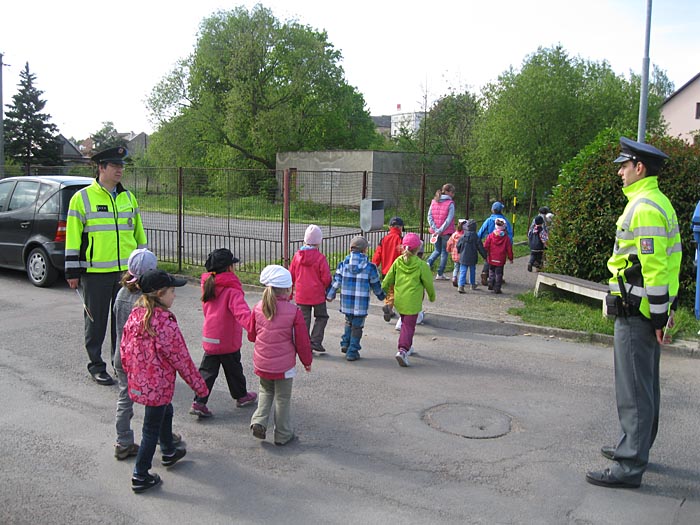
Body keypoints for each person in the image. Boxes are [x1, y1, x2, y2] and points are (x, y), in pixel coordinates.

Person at [585, 137, 681, 489]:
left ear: (639, 168)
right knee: (645, 387)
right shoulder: (658, 202)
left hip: (637, 313)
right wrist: (663, 311)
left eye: (624, 166)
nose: (620, 173)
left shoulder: (643, 208)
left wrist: (657, 317)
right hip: (647, 311)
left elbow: (654, 268)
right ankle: (636, 447)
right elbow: (667, 266)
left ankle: (629, 465)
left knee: (634, 391)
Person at [120, 269, 209, 493]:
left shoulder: (136, 316)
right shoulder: (164, 323)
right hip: (157, 385)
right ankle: (140, 474)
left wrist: (131, 373)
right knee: (150, 428)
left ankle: (169, 450)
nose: (175, 295)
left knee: (165, 411)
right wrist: (199, 386)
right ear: (160, 294)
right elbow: (181, 359)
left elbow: (124, 349)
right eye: (171, 291)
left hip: (142, 382)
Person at [65, 146, 147, 386]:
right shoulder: (82, 198)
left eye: (122, 165)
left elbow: (138, 234)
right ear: (101, 168)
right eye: (115, 165)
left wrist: (143, 265)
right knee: (96, 321)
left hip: (126, 273)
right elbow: (73, 237)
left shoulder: (128, 197)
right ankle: (96, 366)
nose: (120, 169)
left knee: (123, 322)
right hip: (95, 273)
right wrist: (72, 270)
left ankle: (119, 364)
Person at [113, 248, 183, 460]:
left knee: (125, 398)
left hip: (122, 355)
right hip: (145, 360)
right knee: (159, 399)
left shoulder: (121, 294)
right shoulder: (147, 302)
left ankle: (123, 441)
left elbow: (117, 327)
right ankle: (163, 437)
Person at [248, 265, 313, 446]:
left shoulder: (258, 307)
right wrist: (307, 361)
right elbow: (302, 342)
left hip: (262, 363)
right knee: (282, 398)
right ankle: (283, 434)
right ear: (287, 289)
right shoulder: (294, 312)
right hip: (284, 366)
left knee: (265, 391)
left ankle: (259, 421)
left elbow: (251, 335)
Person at [190, 248, 257, 419]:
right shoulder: (232, 290)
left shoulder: (208, 286)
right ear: (229, 268)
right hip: (228, 340)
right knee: (234, 370)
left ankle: (199, 402)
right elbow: (241, 313)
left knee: (207, 372)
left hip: (210, 338)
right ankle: (241, 396)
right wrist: (254, 327)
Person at [326, 236, 386, 361]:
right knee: (357, 326)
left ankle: (345, 343)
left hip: (346, 303)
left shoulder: (343, 264)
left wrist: (330, 295)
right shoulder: (370, 267)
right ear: (364, 250)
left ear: (350, 249)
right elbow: (375, 284)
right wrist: (381, 296)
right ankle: (352, 351)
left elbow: (337, 282)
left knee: (348, 322)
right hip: (361, 304)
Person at [381, 233, 436, 367]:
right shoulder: (421, 265)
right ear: (418, 249)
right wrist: (432, 296)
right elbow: (428, 283)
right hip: (413, 301)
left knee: (405, 322)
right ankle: (403, 350)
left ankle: (408, 346)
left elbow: (388, 279)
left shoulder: (398, 261)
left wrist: (382, 291)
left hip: (400, 299)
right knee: (408, 326)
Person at [289, 225, 332, 352]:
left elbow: (291, 274)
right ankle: (315, 341)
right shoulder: (320, 258)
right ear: (319, 242)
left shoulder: (297, 256)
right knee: (322, 317)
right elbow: (326, 277)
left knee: (303, 320)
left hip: (301, 294)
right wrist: (325, 287)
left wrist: (291, 291)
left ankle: (303, 344)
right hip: (317, 294)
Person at [371, 216, 404, 321]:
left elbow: (377, 255)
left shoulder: (384, 239)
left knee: (388, 291)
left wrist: (373, 266)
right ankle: (389, 306)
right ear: (400, 227)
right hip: (397, 271)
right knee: (395, 292)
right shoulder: (400, 239)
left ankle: (389, 309)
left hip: (385, 271)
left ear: (390, 227)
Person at [477, 202, 513, 287]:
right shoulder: (505, 221)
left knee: (489, 259)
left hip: (490, 243)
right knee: (500, 262)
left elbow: (482, 231)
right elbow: (510, 234)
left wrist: (478, 240)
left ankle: (485, 273)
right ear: (501, 210)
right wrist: (509, 244)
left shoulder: (489, 220)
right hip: (502, 245)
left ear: (492, 210)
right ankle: (498, 278)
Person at [426, 183, 457, 280]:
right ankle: (440, 273)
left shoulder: (434, 201)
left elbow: (429, 216)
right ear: (448, 192)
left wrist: (435, 229)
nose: (453, 194)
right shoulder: (450, 203)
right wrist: (441, 230)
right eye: (452, 192)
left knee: (437, 250)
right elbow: (449, 219)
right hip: (446, 232)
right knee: (444, 252)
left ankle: (428, 263)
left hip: (435, 232)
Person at [483, 218, 513, 294]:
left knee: (491, 271)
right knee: (499, 274)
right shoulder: (506, 238)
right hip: (500, 259)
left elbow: (486, 246)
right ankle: (497, 287)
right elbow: (509, 249)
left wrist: (485, 254)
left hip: (491, 258)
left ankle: (490, 282)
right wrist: (510, 258)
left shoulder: (490, 236)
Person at [456, 219, 487, 292]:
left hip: (463, 256)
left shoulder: (463, 236)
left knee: (463, 271)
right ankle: (472, 284)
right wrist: (485, 256)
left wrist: (459, 251)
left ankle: (461, 285)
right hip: (473, 257)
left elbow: (458, 245)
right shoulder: (476, 237)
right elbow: (480, 248)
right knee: (472, 271)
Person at [446, 218, 468, 287]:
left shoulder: (454, 235)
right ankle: (462, 280)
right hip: (463, 255)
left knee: (456, 267)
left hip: (455, 254)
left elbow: (449, 243)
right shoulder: (465, 235)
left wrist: (448, 250)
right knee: (462, 268)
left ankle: (454, 277)